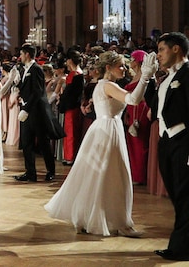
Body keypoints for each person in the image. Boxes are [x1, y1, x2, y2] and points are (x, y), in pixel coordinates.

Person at [45, 50, 156, 238]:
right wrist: (145, 77)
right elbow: (133, 99)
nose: (123, 68)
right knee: (113, 176)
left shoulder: (103, 85)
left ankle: (87, 218)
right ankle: (119, 223)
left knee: (99, 175)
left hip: (103, 128)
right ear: (108, 68)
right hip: (108, 130)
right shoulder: (108, 85)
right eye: (120, 65)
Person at [146, 32, 189, 261]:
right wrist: (148, 79)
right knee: (177, 194)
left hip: (183, 141)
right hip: (166, 142)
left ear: (176, 49)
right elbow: (153, 107)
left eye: (162, 49)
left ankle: (180, 248)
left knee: (185, 195)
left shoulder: (187, 73)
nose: (158, 54)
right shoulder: (165, 78)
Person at [13, 43, 57, 182]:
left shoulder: (37, 69)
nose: (20, 56)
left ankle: (51, 171)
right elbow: (28, 88)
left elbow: (38, 91)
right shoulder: (24, 69)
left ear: (27, 54)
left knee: (43, 143)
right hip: (27, 109)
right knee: (27, 143)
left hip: (37, 112)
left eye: (21, 54)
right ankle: (30, 172)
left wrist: (26, 109)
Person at [124, 50, 151, 184]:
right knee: (132, 144)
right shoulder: (134, 76)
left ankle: (141, 176)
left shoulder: (145, 76)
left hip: (140, 112)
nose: (130, 62)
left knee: (140, 143)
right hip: (131, 111)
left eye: (132, 59)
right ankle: (135, 174)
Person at [58, 50, 84, 165]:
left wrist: (62, 99)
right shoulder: (75, 73)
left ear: (70, 60)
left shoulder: (76, 74)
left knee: (71, 132)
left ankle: (71, 157)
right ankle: (69, 156)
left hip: (72, 106)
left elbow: (71, 93)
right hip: (72, 106)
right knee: (69, 131)